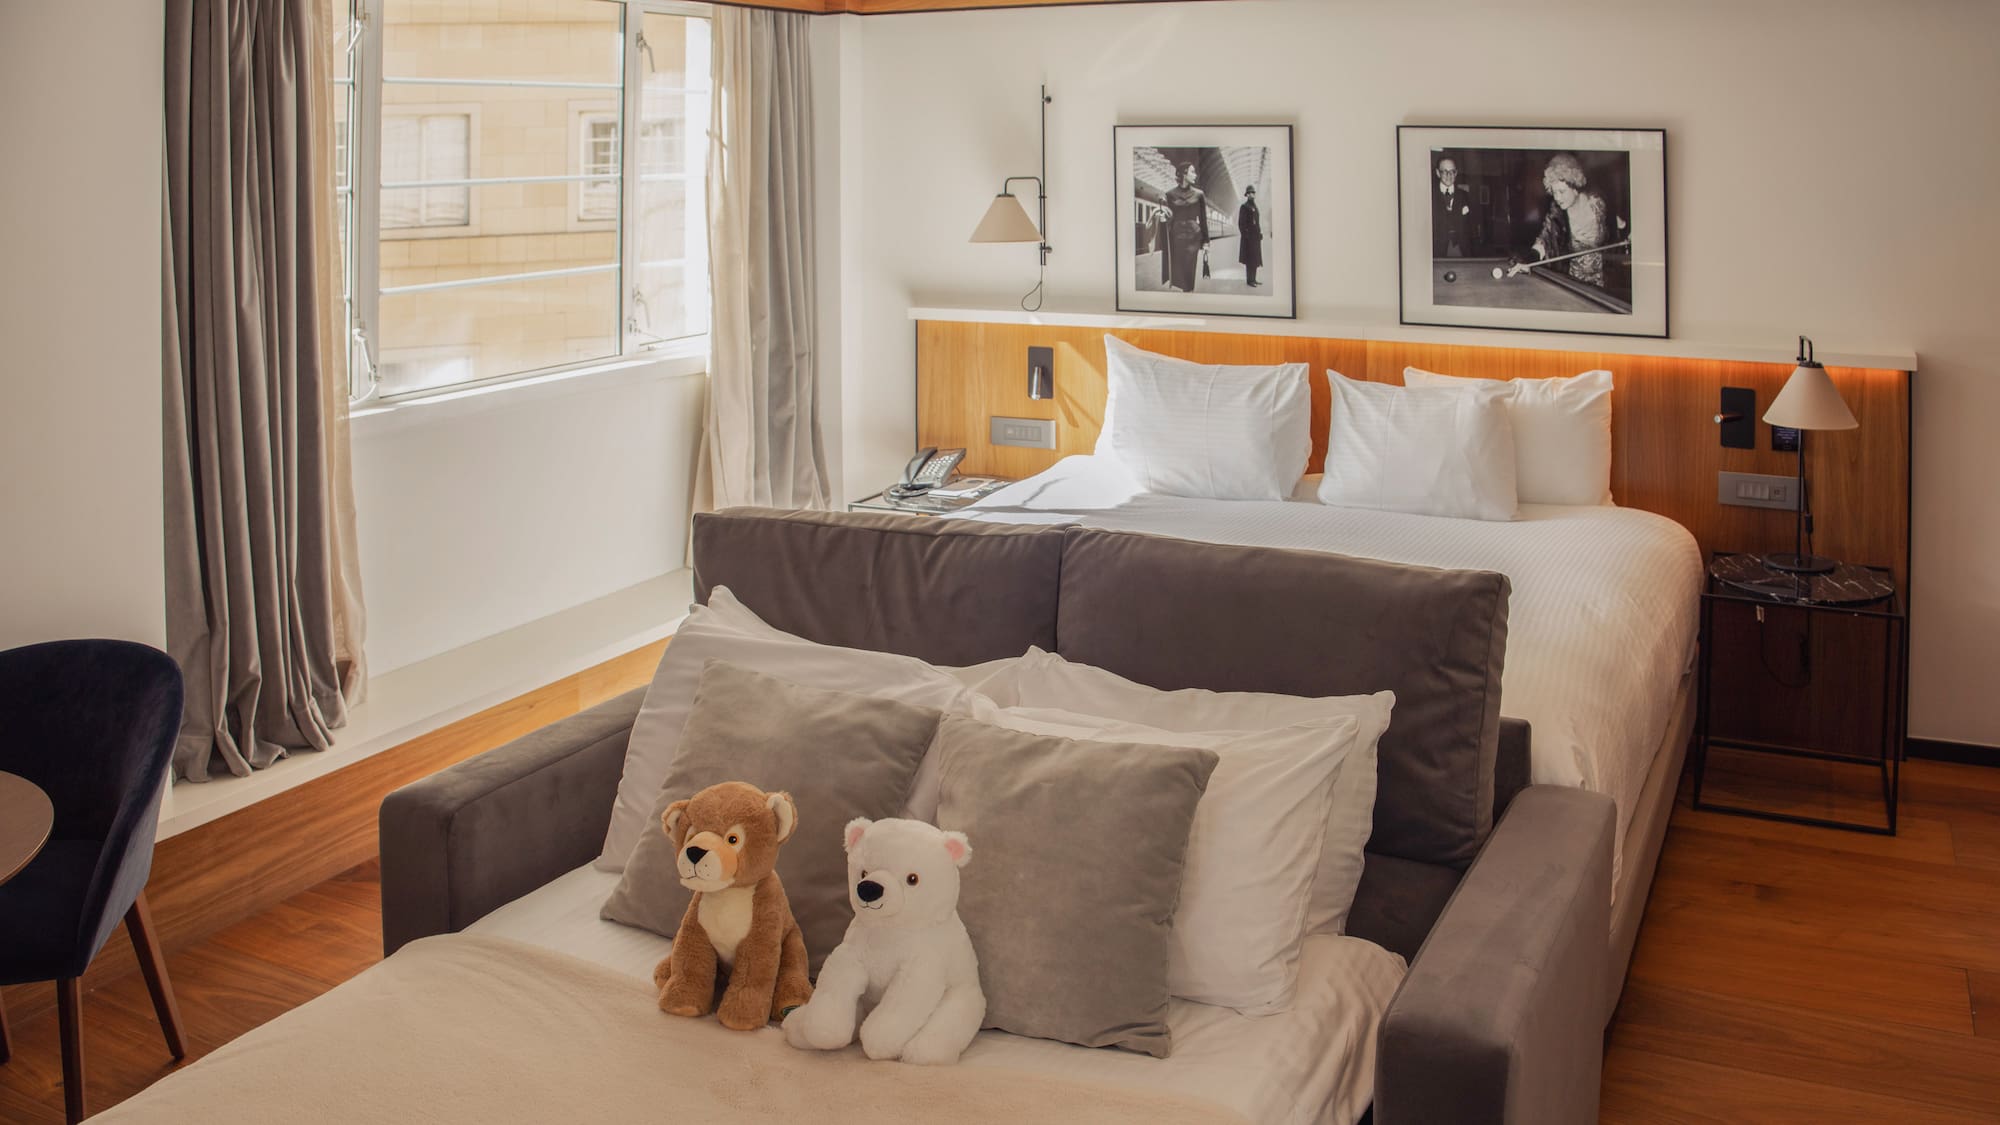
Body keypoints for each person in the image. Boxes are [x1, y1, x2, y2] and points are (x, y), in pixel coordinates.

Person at [1507, 152, 1628, 287]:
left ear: (1574, 186)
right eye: (1554, 192)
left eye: (1562, 192)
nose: (1557, 197)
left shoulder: (1598, 203)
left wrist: (1628, 231)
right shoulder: (1557, 212)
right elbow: (1544, 241)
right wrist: (1528, 260)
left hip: (1607, 284)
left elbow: (1619, 224)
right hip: (1574, 285)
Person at [1160, 162, 1211, 293]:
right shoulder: (1170, 194)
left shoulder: (1199, 194)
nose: (1195, 174)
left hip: (1193, 237)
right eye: (1192, 171)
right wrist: (1162, 219)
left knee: (1189, 270)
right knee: (1180, 273)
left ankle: (1188, 292)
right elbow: (1168, 218)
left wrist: (1206, 242)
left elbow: (1203, 220)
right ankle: (1186, 292)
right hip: (1176, 237)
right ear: (1184, 173)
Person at [1432, 156, 1472, 257]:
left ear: (1456, 173)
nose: (1449, 175)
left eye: (1452, 171)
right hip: (1436, 250)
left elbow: (1472, 227)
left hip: (1461, 250)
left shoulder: (1465, 196)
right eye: (1444, 171)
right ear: (1437, 173)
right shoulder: (1430, 195)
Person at [1237, 185, 1265, 287]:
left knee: (1255, 259)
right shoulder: (1244, 207)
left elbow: (1257, 223)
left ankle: (1254, 279)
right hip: (1249, 239)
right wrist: (1246, 236)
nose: (1252, 195)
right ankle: (1249, 280)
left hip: (1256, 238)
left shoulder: (1255, 207)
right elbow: (1241, 224)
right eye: (1250, 193)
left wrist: (1260, 233)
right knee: (1250, 260)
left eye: (1253, 193)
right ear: (1247, 195)